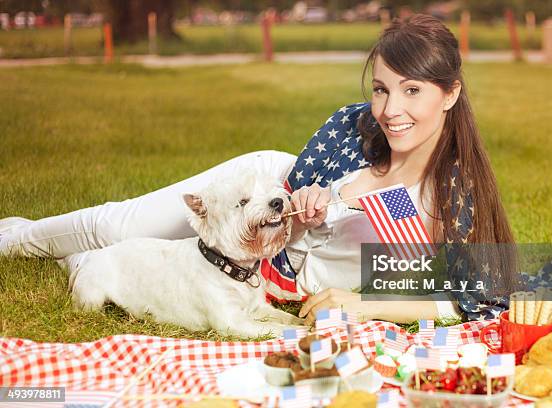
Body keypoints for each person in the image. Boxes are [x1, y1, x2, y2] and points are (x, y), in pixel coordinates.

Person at [0, 15, 514, 325]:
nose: (390, 109)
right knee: (112, 227)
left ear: (450, 93)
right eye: (381, 88)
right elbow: (283, 196)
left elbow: (480, 298)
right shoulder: (354, 125)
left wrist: (363, 301)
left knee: (113, 249)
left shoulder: (447, 192)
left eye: (413, 90)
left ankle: (82, 262)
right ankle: (16, 239)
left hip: (261, 274)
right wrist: (303, 201)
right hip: (252, 194)